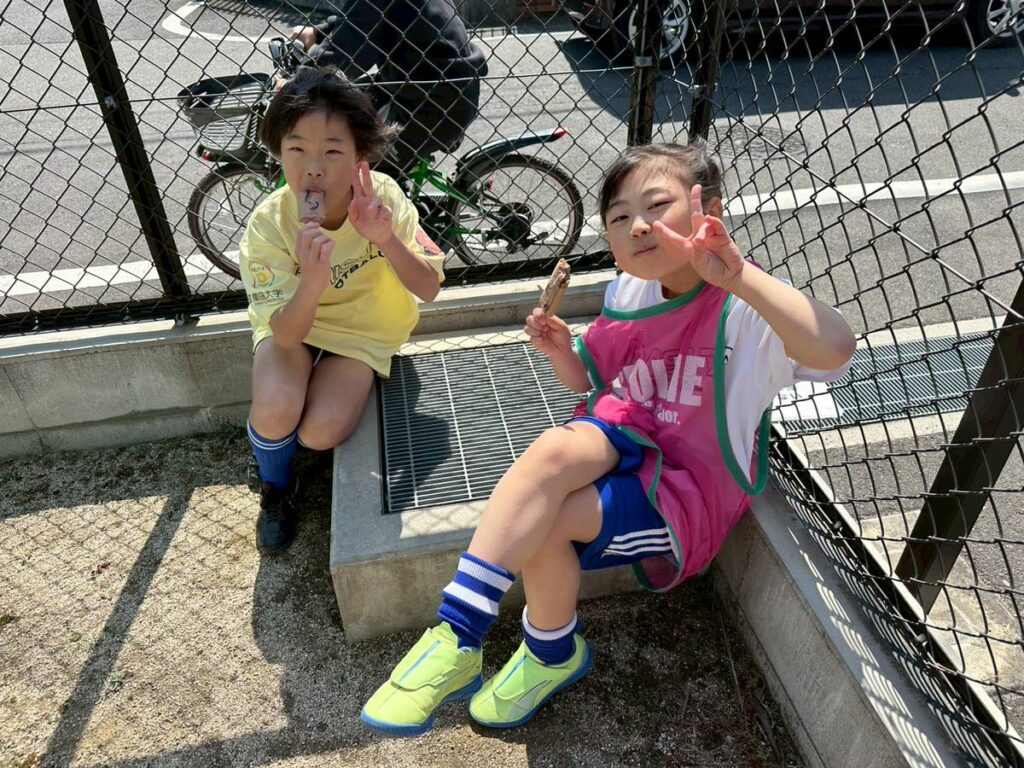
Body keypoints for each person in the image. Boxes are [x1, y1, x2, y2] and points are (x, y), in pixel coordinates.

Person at [359, 141, 857, 735]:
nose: (637, 225)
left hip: (683, 489)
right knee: (553, 450)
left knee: (547, 522)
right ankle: (460, 633)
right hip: (629, 436)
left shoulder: (745, 309)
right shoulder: (629, 291)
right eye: (619, 217)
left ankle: (545, 652)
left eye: (657, 205)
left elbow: (835, 348)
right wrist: (560, 351)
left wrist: (741, 276)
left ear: (709, 209)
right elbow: (593, 382)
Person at [240, 66, 445, 553]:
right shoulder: (270, 223)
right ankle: (275, 483)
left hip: (360, 335)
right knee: (276, 409)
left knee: (320, 431)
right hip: (293, 326)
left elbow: (428, 288)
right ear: (278, 152)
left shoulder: (383, 199)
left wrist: (385, 238)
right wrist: (312, 281)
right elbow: (286, 335)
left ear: (360, 157)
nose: (313, 168)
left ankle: (289, 444)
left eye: (332, 151)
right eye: (296, 149)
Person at [289, 0, 488, 175]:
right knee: (350, 99)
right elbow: (363, 17)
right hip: (431, 86)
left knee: (351, 155)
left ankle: (390, 201)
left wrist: (301, 80)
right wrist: (317, 33)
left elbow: (355, 42)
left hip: (432, 103)